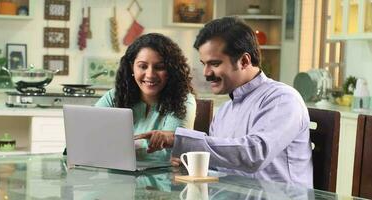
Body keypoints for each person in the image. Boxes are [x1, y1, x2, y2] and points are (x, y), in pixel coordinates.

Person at [135, 17, 313, 187]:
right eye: (204, 63)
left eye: (214, 63)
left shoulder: (282, 99)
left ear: (244, 61)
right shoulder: (225, 110)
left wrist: (178, 140)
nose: (206, 72)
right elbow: (219, 167)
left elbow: (253, 154)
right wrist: (188, 163)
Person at [96, 33, 196, 162]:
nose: (150, 75)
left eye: (159, 67)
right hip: (116, 175)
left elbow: (168, 152)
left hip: (163, 178)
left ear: (171, 70)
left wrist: (111, 145)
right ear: (131, 67)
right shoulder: (115, 95)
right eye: (142, 66)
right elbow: (89, 132)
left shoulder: (183, 100)